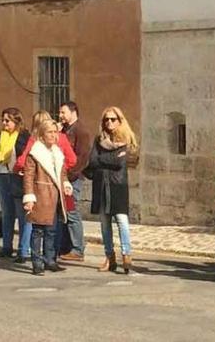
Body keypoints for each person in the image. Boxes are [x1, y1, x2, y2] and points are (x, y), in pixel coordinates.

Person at [14, 111, 77, 268]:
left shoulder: (57, 153)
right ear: (42, 135)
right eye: (50, 132)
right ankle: (37, 262)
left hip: (55, 197)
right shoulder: (35, 153)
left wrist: (66, 184)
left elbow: (62, 173)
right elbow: (28, 176)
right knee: (37, 231)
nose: (53, 135)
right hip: (40, 195)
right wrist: (29, 197)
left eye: (55, 132)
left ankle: (50, 260)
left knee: (52, 231)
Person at [87, 106, 138, 274]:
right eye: (106, 119)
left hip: (118, 185)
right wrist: (109, 159)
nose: (109, 122)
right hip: (101, 184)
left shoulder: (126, 139)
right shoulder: (98, 140)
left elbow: (120, 163)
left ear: (119, 121)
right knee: (104, 224)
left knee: (122, 221)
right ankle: (110, 257)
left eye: (113, 119)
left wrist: (104, 159)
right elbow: (93, 161)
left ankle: (127, 255)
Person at [0, 108, 30, 260]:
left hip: (16, 177)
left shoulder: (23, 136)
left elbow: (26, 156)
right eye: (2, 120)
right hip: (1, 177)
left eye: (7, 120)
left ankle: (23, 250)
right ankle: (6, 247)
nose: (4, 123)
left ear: (16, 121)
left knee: (22, 215)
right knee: (7, 214)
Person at [58, 101, 93, 262]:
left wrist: (71, 175)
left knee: (72, 212)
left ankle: (78, 248)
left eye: (63, 112)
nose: (60, 116)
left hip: (73, 180)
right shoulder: (65, 130)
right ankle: (65, 246)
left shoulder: (81, 131)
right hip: (63, 178)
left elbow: (83, 158)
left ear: (73, 112)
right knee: (63, 213)